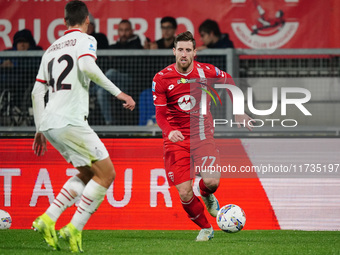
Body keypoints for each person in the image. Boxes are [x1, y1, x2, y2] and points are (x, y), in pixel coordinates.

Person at [31, 1, 135, 252]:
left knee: (89, 174)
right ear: (87, 19)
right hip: (71, 120)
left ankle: (47, 219)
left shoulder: (51, 49)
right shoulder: (86, 40)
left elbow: (37, 92)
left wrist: (39, 128)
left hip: (51, 124)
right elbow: (88, 67)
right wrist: (119, 93)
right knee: (107, 174)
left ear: (64, 21)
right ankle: (75, 227)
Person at [152, 31, 252, 241]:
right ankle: (206, 228)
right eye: (180, 49)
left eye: (188, 50)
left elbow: (229, 80)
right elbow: (160, 114)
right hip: (176, 142)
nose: (184, 54)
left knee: (212, 181)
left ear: (195, 52)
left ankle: (206, 193)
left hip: (202, 137)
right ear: (174, 51)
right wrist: (170, 131)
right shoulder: (161, 78)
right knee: (185, 193)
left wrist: (239, 111)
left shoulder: (206, 71)